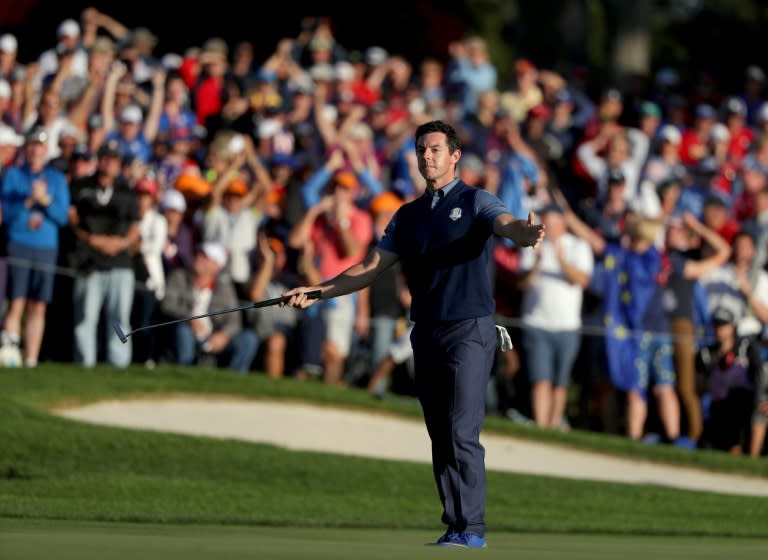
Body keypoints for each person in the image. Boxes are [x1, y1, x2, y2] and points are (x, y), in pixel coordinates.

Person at [281, 120, 545, 549]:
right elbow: (369, 268)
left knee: (461, 429)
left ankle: (471, 528)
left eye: (436, 149)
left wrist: (525, 234)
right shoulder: (407, 216)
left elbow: (507, 224)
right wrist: (317, 291)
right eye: (422, 149)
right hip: (426, 331)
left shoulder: (476, 200)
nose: (428, 156)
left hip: (469, 328)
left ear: (454, 155)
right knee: (440, 431)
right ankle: (454, 524)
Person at [0, 126, 70, 367]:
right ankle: (10, 354)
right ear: (26, 148)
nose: (36, 150)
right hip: (19, 244)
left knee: (38, 305)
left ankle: (31, 359)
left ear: (46, 149)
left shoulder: (56, 179)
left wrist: (45, 202)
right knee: (16, 300)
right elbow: (6, 215)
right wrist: (28, 200)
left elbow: (62, 217)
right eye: (32, 145)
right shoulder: (13, 175)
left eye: (40, 145)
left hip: (45, 247)